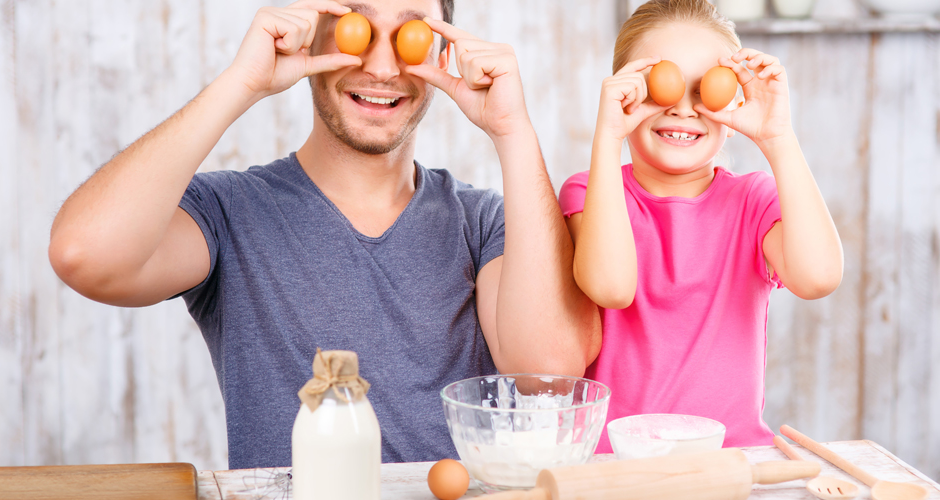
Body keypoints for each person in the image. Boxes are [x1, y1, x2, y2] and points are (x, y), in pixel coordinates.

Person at [48, 0, 600, 469]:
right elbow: (84, 254)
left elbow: (547, 373)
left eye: (411, 35)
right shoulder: (230, 212)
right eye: (355, 26)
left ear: (442, 50)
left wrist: (513, 130)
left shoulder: (485, 222)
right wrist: (242, 83)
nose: (383, 67)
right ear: (313, 32)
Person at [559, 0, 843, 452]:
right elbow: (611, 287)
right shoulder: (590, 192)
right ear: (623, 94)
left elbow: (819, 277)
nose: (685, 109)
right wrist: (607, 136)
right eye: (661, 87)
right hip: (615, 463)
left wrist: (778, 137)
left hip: (729, 458)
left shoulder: (752, 200)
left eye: (706, 90)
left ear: (732, 104)